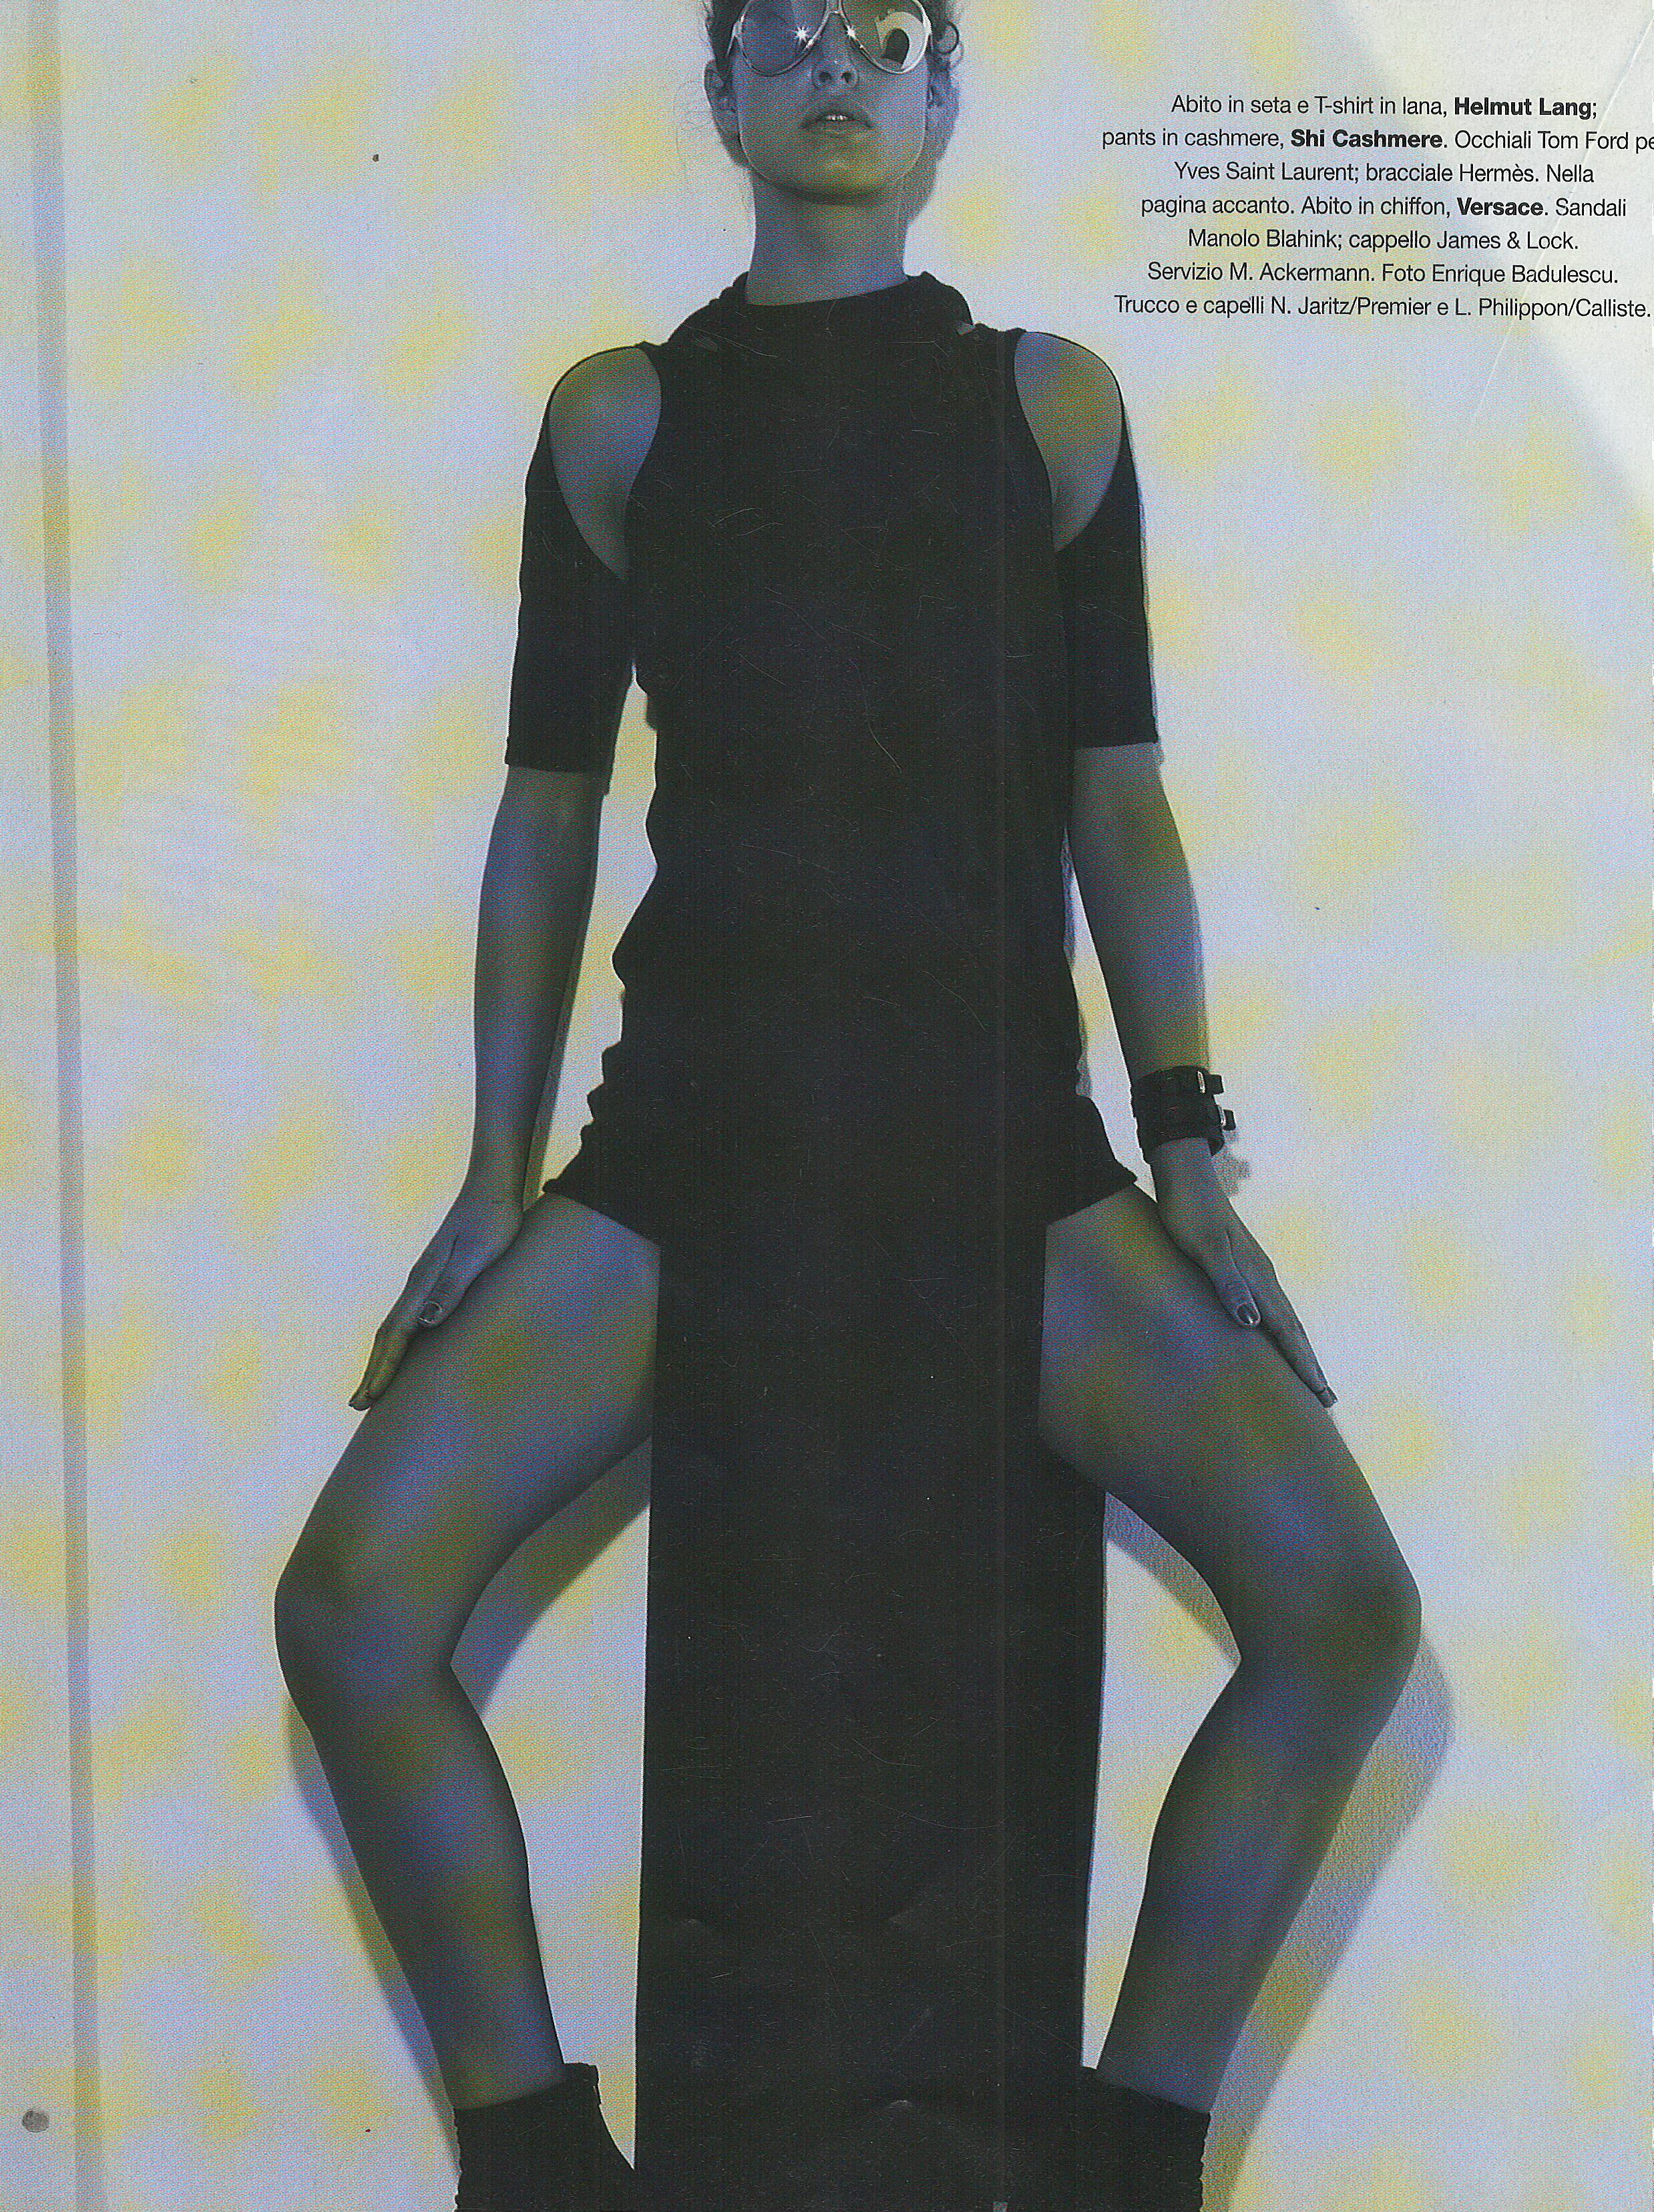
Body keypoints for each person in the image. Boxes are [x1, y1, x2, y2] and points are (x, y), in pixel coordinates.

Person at [274, 6, 1422, 2208]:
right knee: (350, 1603)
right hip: (695, 1147)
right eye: (784, 32)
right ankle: (534, 2161)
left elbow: (1122, 805)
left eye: (884, 33)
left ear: (941, 98)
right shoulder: (619, 420)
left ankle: (1128, 2165)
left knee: (1344, 1608)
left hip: (991, 1146)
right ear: (721, 95)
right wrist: (493, 1176)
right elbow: (543, 812)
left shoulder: (1051, 411)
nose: (834, 68)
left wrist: (1188, 1148)